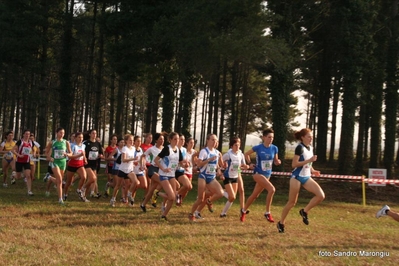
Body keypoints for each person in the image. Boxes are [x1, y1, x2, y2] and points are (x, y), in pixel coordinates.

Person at [277, 128, 325, 233]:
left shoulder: (311, 148)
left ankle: (305, 211)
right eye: (309, 136)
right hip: (297, 177)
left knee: (321, 196)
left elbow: (308, 164)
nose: (311, 138)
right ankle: (281, 223)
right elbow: (294, 164)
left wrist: (313, 170)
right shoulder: (299, 148)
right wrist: (309, 160)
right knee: (292, 202)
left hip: (307, 176)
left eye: (312, 136)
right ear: (302, 137)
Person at [240, 129, 281, 222]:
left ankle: (243, 210)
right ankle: (267, 213)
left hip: (267, 174)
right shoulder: (258, 147)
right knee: (272, 189)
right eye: (269, 137)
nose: (271, 139)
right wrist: (250, 163)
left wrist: (277, 162)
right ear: (264, 138)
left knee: (255, 195)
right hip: (258, 173)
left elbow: (275, 160)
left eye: (272, 138)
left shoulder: (275, 148)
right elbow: (246, 154)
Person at [189, 134, 224, 221]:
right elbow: (199, 164)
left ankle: (209, 201)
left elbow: (216, 165)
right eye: (212, 140)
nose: (214, 142)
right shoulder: (204, 151)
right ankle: (191, 214)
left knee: (220, 193)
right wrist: (208, 160)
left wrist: (219, 170)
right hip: (203, 176)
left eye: (215, 140)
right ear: (207, 141)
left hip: (212, 177)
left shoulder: (217, 152)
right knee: (200, 199)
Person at [153, 132, 183, 220]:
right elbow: (156, 160)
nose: (177, 141)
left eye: (178, 139)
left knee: (172, 198)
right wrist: (163, 168)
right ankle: (157, 193)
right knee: (172, 196)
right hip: (164, 175)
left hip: (172, 175)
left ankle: (164, 215)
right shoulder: (167, 148)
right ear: (170, 140)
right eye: (175, 139)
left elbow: (181, 163)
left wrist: (186, 164)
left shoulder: (178, 150)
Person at [220, 136, 249, 217]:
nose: (237, 147)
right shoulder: (228, 155)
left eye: (239, 145)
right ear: (231, 146)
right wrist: (222, 168)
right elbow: (220, 162)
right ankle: (220, 191)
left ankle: (223, 213)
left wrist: (246, 167)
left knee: (232, 198)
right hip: (227, 177)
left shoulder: (241, 154)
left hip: (235, 177)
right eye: (236, 145)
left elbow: (242, 166)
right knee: (232, 196)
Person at [109, 134, 139, 207]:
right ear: (126, 141)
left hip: (129, 170)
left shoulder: (133, 148)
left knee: (136, 182)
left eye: (132, 140)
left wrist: (134, 163)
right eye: (130, 140)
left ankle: (129, 194)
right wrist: (133, 159)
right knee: (118, 186)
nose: (132, 142)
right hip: (122, 170)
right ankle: (113, 199)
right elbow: (123, 159)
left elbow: (131, 159)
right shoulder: (125, 149)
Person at [45, 127, 72, 205]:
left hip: (62, 162)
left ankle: (49, 177)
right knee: (60, 180)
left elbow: (71, 153)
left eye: (63, 133)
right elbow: (46, 153)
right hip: (55, 162)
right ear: (57, 133)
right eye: (60, 132)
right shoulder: (52, 142)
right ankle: (60, 199)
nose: (62, 134)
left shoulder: (66, 142)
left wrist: (67, 154)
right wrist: (50, 158)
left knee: (59, 181)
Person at [140, 133, 164, 211]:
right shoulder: (151, 149)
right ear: (156, 140)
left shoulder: (164, 149)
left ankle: (143, 204)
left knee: (152, 189)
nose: (162, 141)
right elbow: (142, 156)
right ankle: (157, 195)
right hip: (152, 169)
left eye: (163, 139)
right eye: (160, 139)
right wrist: (142, 165)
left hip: (160, 170)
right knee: (163, 182)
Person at [64, 132, 88, 202]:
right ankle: (65, 194)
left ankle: (79, 189)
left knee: (84, 177)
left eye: (82, 137)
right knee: (68, 182)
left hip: (80, 164)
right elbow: (71, 156)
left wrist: (85, 159)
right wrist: (80, 155)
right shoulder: (72, 145)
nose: (81, 139)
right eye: (79, 137)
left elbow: (84, 153)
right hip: (72, 164)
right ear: (75, 138)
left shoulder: (83, 145)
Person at [80, 129, 104, 199]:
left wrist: (101, 155)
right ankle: (82, 188)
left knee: (92, 180)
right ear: (90, 134)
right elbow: (82, 151)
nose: (94, 135)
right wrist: (84, 158)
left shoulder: (97, 143)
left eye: (95, 133)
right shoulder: (85, 143)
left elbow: (101, 153)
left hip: (94, 163)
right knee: (93, 178)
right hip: (87, 163)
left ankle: (84, 195)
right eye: (93, 133)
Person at [13, 130, 37, 196]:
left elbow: (34, 148)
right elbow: (13, 150)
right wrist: (19, 155)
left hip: (27, 161)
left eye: (28, 134)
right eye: (26, 134)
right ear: (23, 134)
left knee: (28, 176)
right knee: (18, 177)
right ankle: (13, 175)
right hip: (19, 161)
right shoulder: (20, 142)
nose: (27, 135)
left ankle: (29, 191)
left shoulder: (31, 142)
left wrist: (34, 153)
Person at [175, 134, 193, 207]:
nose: (183, 141)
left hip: (181, 171)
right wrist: (182, 163)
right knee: (172, 188)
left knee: (189, 186)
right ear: (178, 140)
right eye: (181, 139)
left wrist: (187, 164)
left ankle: (177, 194)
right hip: (173, 171)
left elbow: (184, 160)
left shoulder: (184, 150)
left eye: (184, 139)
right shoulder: (174, 148)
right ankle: (164, 204)